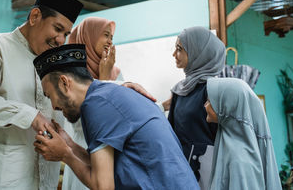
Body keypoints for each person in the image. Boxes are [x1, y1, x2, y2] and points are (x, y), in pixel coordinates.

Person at [0, 0, 84, 190]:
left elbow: (82, 93)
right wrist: (28, 115)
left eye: (66, 33)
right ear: (35, 16)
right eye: (57, 29)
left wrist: (121, 87)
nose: (61, 40)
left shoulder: (56, 65)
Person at [33, 44, 199, 190]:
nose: (54, 106)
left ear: (64, 83)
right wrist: (69, 144)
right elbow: (102, 167)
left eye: (49, 96)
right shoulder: (108, 94)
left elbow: (103, 186)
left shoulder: (96, 104)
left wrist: (65, 155)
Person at [162, 26, 226, 189]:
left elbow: (222, 136)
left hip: (207, 170)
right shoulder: (179, 90)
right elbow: (172, 132)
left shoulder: (213, 89)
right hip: (179, 168)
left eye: (179, 49)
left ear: (198, 52)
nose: (174, 54)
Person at [63, 17, 122, 190]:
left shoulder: (116, 73)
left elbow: (119, 117)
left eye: (112, 37)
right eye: (105, 35)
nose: (110, 41)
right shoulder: (71, 75)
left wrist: (107, 76)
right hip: (83, 151)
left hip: (111, 155)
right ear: (87, 36)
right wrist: (103, 80)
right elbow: (82, 122)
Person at [205, 77, 281, 190]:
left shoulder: (239, 160)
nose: (205, 105)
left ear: (227, 107)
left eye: (211, 102)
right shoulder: (228, 144)